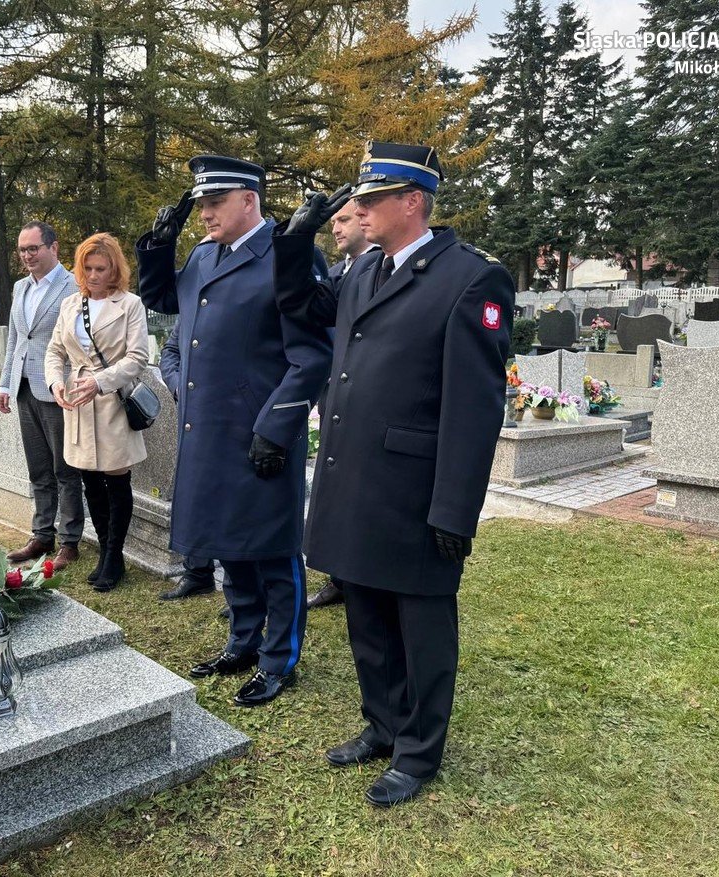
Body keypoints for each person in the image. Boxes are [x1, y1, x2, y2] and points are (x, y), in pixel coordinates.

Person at [272, 141, 514, 806]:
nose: (359, 209)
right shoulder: (363, 270)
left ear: (412, 202)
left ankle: (418, 751)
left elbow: (475, 408)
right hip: (355, 476)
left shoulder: (470, 279)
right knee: (368, 617)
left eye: (373, 199)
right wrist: (294, 243)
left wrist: (454, 509)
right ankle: (383, 724)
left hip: (414, 489)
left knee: (421, 627)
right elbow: (301, 307)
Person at [137, 154, 332, 707]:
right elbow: (164, 300)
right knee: (230, 544)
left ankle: (278, 658)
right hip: (208, 429)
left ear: (250, 200)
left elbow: (313, 355)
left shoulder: (288, 254)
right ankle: (242, 642)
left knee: (272, 549)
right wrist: (158, 246)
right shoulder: (205, 254)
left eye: (215, 202)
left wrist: (277, 425)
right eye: (200, 203)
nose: (205, 213)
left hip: (259, 432)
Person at [44, 232, 150, 592]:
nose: (93, 275)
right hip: (77, 401)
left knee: (116, 479)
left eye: (101, 268)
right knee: (89, 477)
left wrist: (100, 381)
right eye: (87, 268)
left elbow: (138, 357)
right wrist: (55, 383)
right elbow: (55, 351)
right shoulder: (71, 305)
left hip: (112, 400)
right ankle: (105, 549)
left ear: (114, 268)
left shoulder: (130, 305)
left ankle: (114, 556)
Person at [0, 221, 84, 570]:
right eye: (22, 250)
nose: (27, 255)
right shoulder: (20, 287)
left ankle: (70, 541)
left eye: (33, 248)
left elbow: (78, 342)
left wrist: (69, 383)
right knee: (38, 468)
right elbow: (16, 340)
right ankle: (41, 535)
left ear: (53, 248)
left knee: (66, 469)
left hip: (58, 389)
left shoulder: (73, 285)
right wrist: (5, 384)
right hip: (24, 388)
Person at [308, 199, 379, 611]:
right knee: (334, 489)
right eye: (332, 221)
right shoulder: (335, 274)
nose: (335, 228)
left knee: (362, 491)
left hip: (368, 400)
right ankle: (339, 577)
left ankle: (361, 576)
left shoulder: (384, 270)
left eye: (344, 219)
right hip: (333, 394)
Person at [155, 319, 217, 601]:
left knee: (234, 500)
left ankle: (246, 586)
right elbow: (170, 350)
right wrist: (179, 386)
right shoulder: (194, 301)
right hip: (194, 416)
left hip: (236, 413)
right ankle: (198, 572)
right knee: (195, 494)